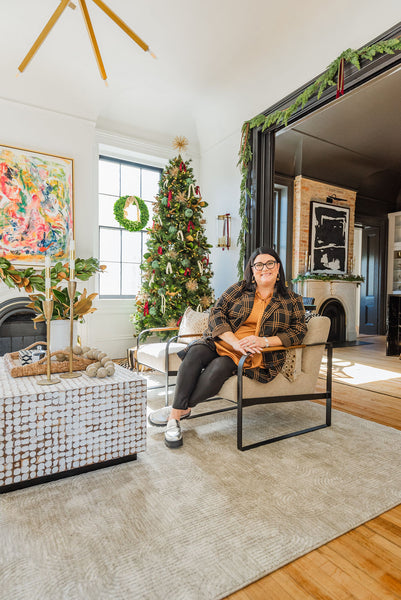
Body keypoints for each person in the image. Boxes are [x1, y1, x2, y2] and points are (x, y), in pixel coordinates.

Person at [149, 247, 307, 448]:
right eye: (258, 264)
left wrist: (264, 341)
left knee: (219, 368)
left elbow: (299, 330)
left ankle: (175, 414)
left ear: (278, 268)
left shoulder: (292, 300)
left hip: (253, 353)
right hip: (222, 341)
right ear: (252, 269)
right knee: (195, 352)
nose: (264, 268)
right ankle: (178, 414)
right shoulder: (239, 289)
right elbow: (217, 313)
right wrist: (233, 342)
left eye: (269, 264)